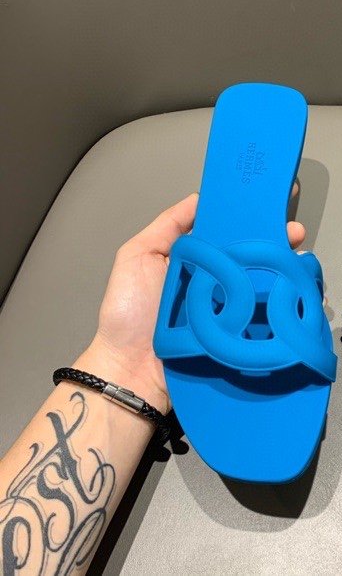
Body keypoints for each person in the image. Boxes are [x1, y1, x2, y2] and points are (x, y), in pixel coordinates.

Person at [0, 189, 307, 575]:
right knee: (291, 296)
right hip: (174, 342)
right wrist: (124, 361)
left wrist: (118, 364)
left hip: (182, 336)